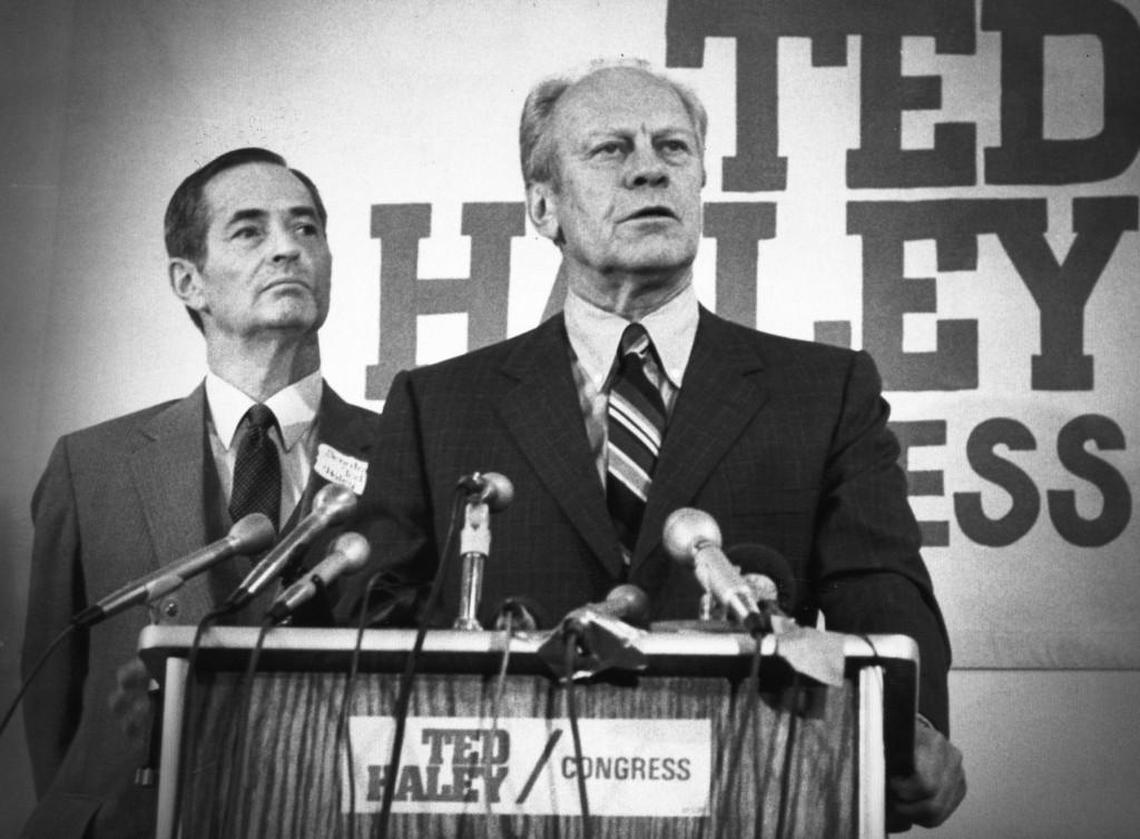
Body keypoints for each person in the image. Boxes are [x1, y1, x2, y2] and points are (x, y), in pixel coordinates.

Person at [358, 60, 966, 828]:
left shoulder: (824, 390)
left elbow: (884, 593)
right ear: (544, 207)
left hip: (746, 799)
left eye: (673, 148)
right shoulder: (436, 404)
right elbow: (371, 632)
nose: (649, 167)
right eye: (611, 150)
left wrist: (916, 731)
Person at [20, 148, 382, 839]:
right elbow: (49, 704)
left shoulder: (402, 451)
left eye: (306, 229)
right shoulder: (90, 466)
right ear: (189, 281)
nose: (287, 248)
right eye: (249, 230)